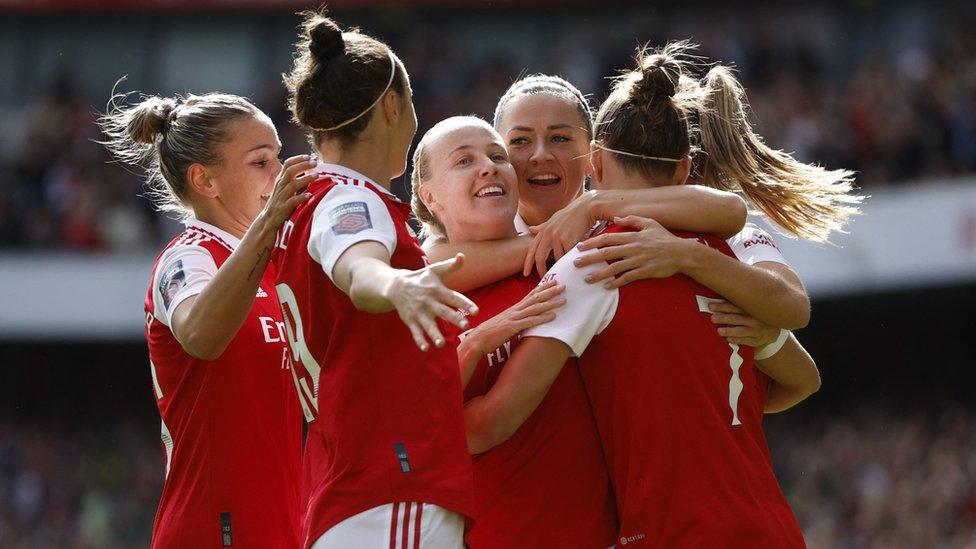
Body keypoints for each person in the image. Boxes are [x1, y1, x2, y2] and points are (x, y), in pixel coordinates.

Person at [523, 44, 808, 547]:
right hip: (770, 528)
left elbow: (793, 309)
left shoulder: (596, 261)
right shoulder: (727, 249)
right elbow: (802, 376)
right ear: (684, 167)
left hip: (670, 532)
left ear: (595, 163)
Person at [275, 12, 476, 548]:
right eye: (410, 106)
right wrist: (396, 286)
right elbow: (358, 268)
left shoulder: (300, 206)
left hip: (349, 488)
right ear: (392, 107)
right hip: (391, 486)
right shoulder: (349, 198)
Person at [99, 91, 310, 547]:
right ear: (205, 181)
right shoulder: (188, 257)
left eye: (278, 157)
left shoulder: (280, 264)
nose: (279, 173)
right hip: (213, 527)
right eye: (260, 162)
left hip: (287, 526)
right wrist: (269, 224)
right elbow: (200, 334)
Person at [410, 116, 617, 548]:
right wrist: (483, 337)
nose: (488, 166)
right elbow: (421, 433)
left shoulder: (561, 262)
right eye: (464, 160)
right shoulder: (418, 295)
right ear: (430, 197)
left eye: (498, 156)